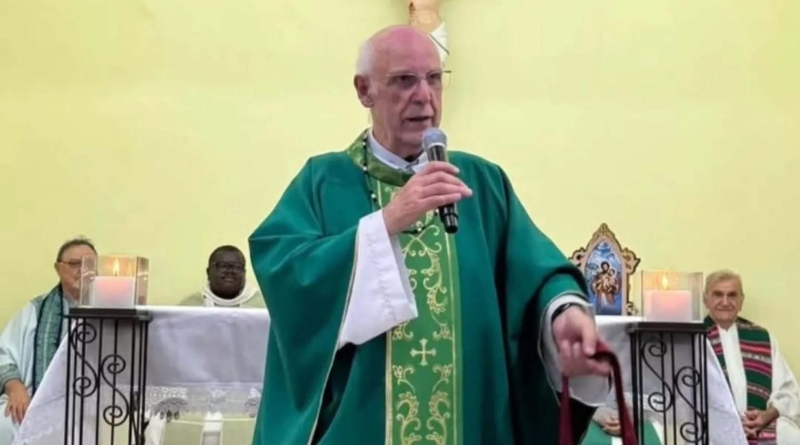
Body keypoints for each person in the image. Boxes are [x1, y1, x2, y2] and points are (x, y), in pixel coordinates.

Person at [247, 25, 612, 445]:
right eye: (404, 80)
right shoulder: (323, 181)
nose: (424, 96)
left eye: (434, 78)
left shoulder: (482, 183)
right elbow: (285, 273)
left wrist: (563, 314)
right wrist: (386, 223)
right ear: (364, 90)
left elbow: (537, 272)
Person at [0, 237, 98, 444]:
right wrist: (15, 387)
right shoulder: (36, 310)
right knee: (4, 422)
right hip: (34, 399)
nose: (82, 270)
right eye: (74, 264)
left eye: (89, 264)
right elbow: (4, 355)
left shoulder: (112, 312)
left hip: (91, 404)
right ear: (58, 268)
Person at [704, 269, 800, 445]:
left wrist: (767, 415)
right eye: (718, 294)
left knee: (791, 436)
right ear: (706, 300)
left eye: (732, 295)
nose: (725, 302)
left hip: (760, 429)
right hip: (712, 430)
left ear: (741, 301)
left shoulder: (762, 338)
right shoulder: (695, 338)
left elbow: (788, 391)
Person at [179, 245, 263, 308]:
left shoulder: (263, 306)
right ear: (208, 272)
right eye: (222, 266)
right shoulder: (190, 307)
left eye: (237, 267)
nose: (230, 271)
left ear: (244, 273)